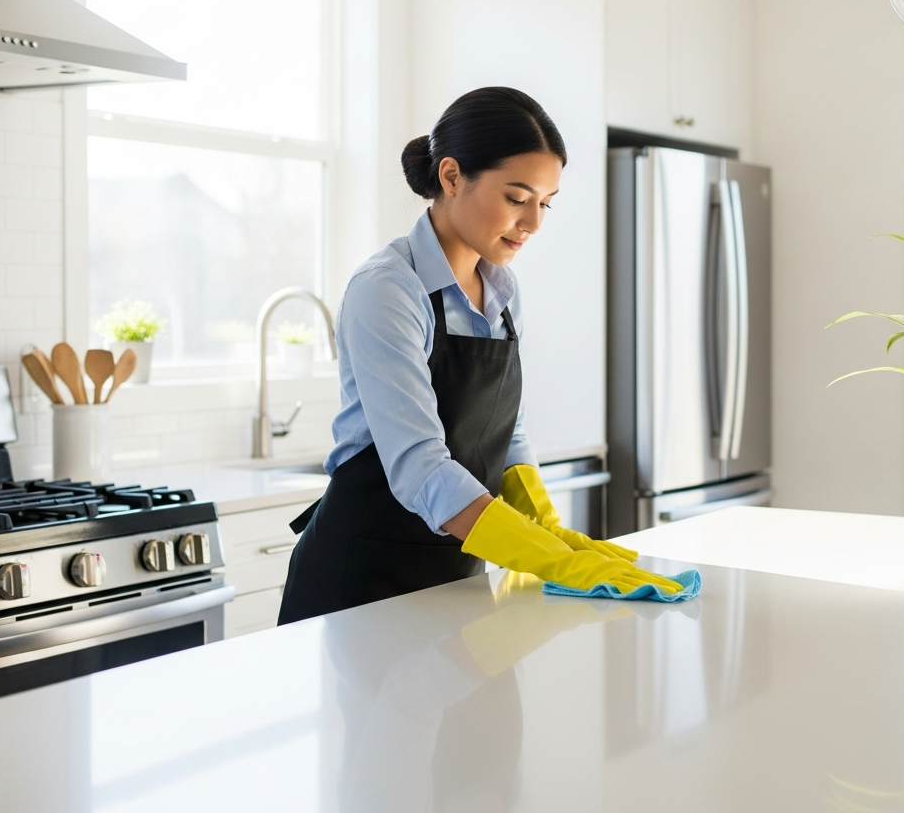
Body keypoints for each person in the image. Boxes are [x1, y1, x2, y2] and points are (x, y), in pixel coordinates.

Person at [278, 87, 681, 624]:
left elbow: (505, 433)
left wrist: (546, 529)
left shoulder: (501, 291)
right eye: (517, 198)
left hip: (455, 579)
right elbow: (420, 468)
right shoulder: (389, 290)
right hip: (362, 584)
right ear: (450, 177)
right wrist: (552, 560)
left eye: (546, 202)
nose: (534, 222)